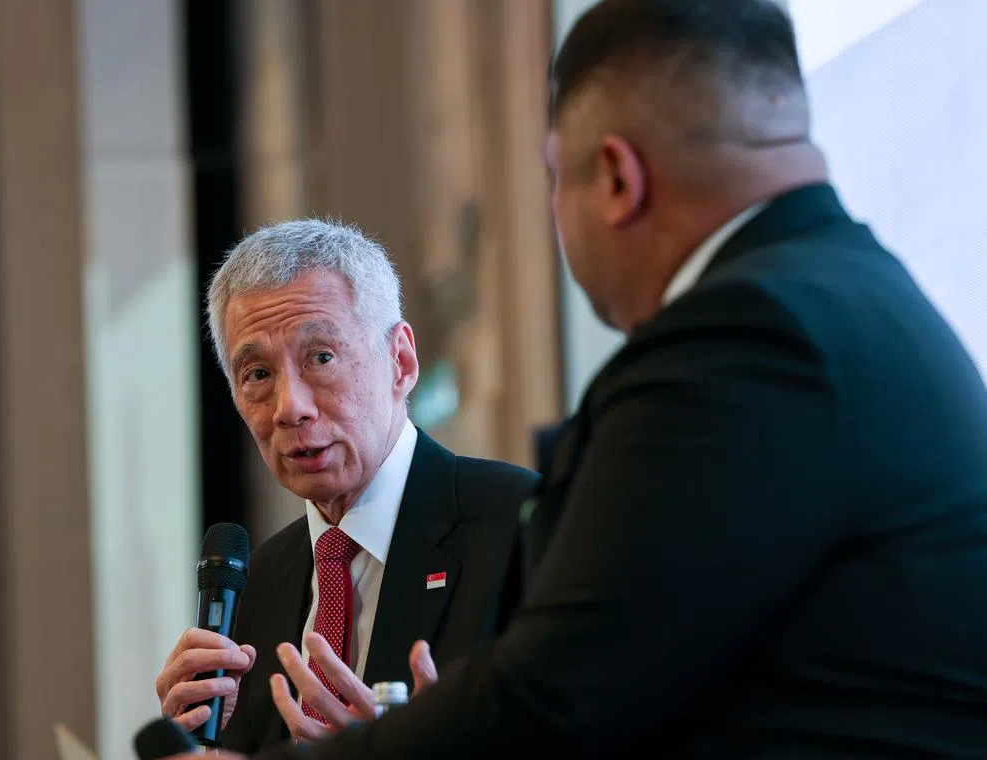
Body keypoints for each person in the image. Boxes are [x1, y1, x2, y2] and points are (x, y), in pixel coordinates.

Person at [231, 1, 987, 757]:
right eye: (256, 372)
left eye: (556, 179)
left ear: (618, 179)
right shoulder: (855, 294)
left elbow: (557, 696)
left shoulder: (744, 339)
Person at [153, 219, 539, 751]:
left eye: (321, 358)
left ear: (400, 362)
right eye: (258, 375)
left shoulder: (519, 524)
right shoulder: (261, 583)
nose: (290, 408)